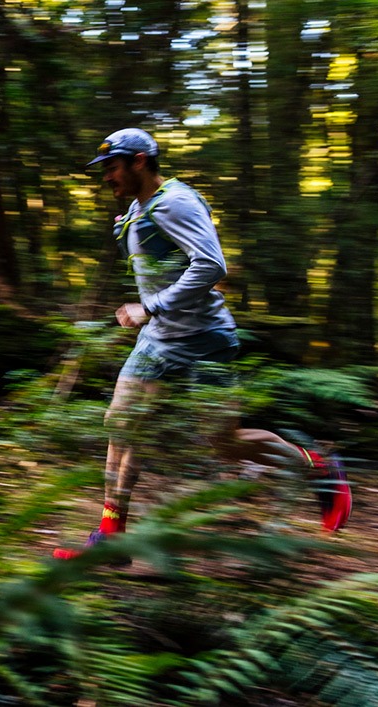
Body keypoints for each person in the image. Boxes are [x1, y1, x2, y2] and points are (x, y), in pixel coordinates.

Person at [52, 128, 352, 562]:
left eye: (113, 168)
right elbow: (163, 264)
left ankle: (320, 470)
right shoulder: (140, 208)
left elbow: (211, 264)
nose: (106, 178)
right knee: (121, 423)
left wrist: (149, 306)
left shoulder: (175, 201)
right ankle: (111, 537)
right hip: (160, 339)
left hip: (203, 340)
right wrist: (130, 237)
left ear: (139, 162)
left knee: (225, 441)